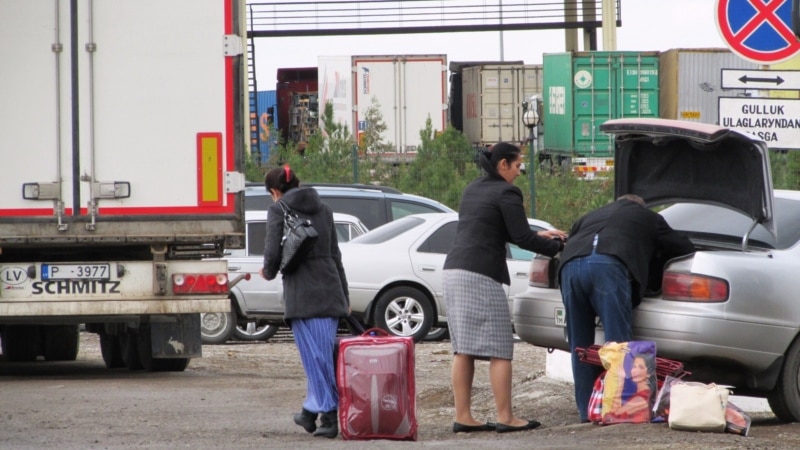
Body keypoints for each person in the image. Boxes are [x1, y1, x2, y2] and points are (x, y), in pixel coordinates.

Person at [443, 142, 568, 434]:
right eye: (517, 165)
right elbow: (522, 238)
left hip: (454, 270)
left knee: (463, 349)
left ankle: (463, 416)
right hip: (480, 274)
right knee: (501, 348)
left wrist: (538, 234)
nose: (519, 171)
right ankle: (506, 417)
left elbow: (499, 228)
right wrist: (557, 247)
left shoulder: (473, 188)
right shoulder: (507, 191)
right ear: (503, 165)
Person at [559, 194, 695, 423]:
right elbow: (684, 246)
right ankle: (620, 410)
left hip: (570, 267)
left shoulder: (589, 216)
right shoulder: (648, 217)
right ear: (638, 206)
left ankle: (585, 412)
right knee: (618, 346)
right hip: (607, 267)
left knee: (580, 346)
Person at [259, 165, 350, 439]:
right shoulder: (325, 208)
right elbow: (335, 254)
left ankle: (329, 415)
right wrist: (344, 294)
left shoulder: (278, 209)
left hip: (301, 290)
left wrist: (268, 271)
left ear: (275, 192)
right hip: (330, 287)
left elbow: (272, 250)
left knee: (316, 357)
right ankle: (310, 413)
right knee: (319, 357)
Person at [603, 354, 656, 423]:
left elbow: (611, 417)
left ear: (649, 373)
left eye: (641, 367)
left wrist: (620, 380)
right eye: (634, 366)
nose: (635, 371)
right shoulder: (643, 394)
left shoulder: (641, 398)